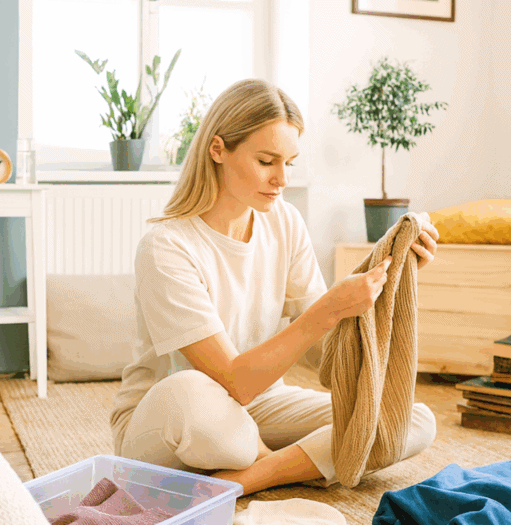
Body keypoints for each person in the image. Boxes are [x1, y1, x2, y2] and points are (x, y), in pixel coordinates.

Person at [109, 78, 441, 496]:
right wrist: (330, 308)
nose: (281, 179)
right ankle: (264, 456)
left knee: (408, 418)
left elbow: (333, 346)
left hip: (260, 405)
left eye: (289, 162)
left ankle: (251, 475)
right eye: (267, 161)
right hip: (177, 418)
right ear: (218, 150)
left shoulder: (283, 221)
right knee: (192, 393)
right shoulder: (166, 246)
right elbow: (234, 381)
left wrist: (392, 272)